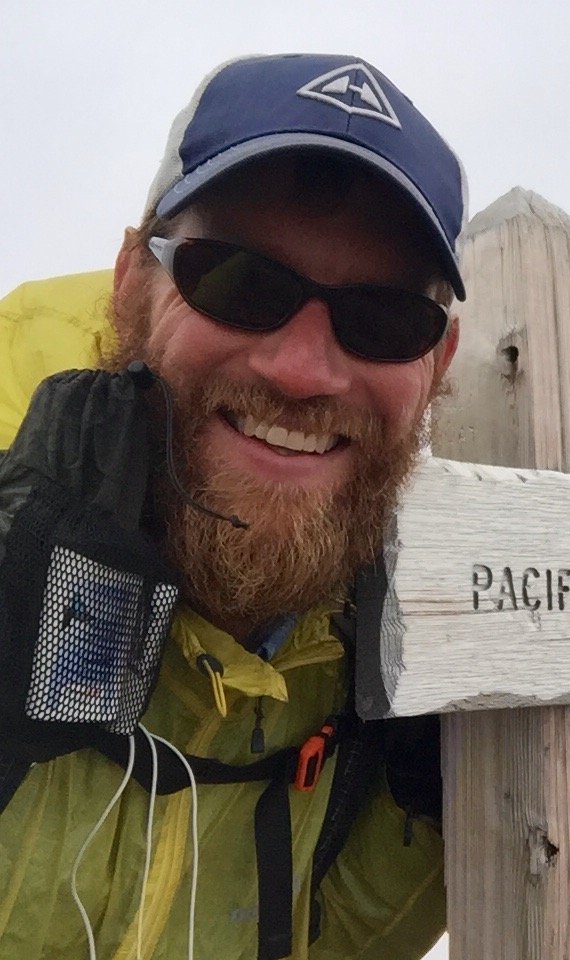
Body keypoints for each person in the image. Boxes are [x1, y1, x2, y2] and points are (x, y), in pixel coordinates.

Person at [0, 54, 465, 959]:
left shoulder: (401, 636)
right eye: (240, 281)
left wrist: (454, 820)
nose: (301, 368)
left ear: (436, 365)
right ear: (131, 280)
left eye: (382, 318)